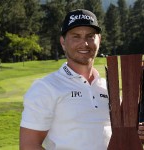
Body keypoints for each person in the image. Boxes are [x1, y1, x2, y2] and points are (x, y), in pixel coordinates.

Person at [20, 9, 144, 150]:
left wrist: (136, 134)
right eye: (76, 36)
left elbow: (119, 136)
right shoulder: (45, 87)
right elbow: (29, 145)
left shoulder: (108, 87)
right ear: (63, 42)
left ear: (99, 40)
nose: (84, 43)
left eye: (90, 36)